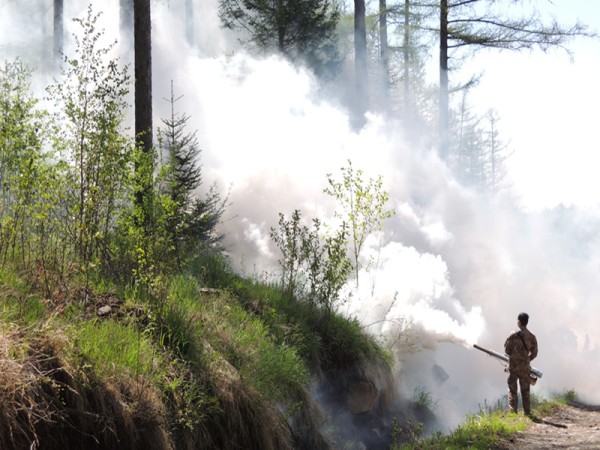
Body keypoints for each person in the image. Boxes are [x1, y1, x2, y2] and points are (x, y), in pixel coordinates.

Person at [504, 312, 538, 416]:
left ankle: (513, 412)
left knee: (512, 389)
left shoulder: (513, 335)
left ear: (519, 322)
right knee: (525, 390)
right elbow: (535, 352)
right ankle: (527, 412)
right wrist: (527, 359)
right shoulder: (532, 336)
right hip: (525, 368)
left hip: (513, 367)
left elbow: (507, 351)